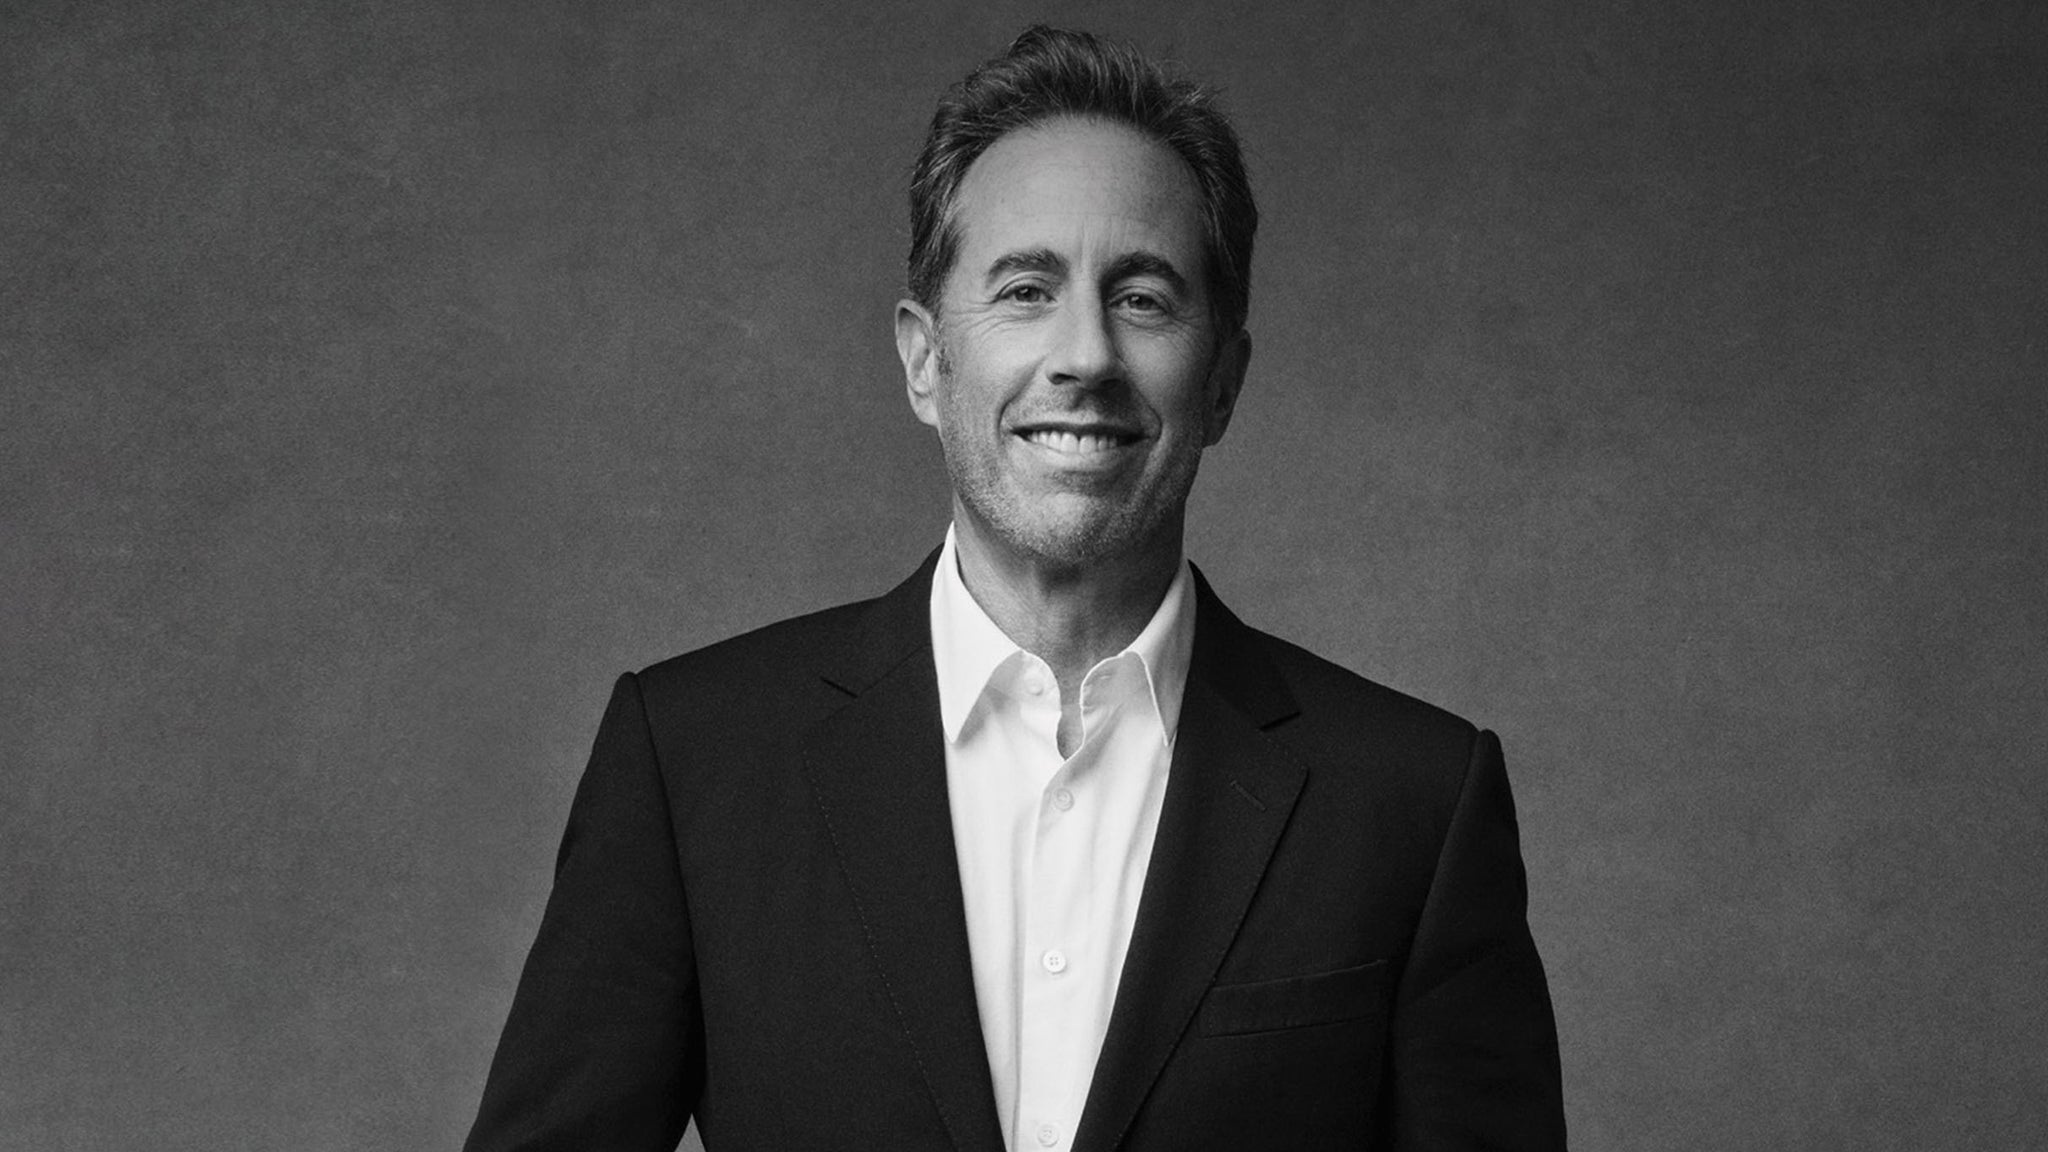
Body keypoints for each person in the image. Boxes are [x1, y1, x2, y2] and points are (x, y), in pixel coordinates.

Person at [465, 25, 1564, 1152]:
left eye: (1141, 297)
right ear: (924, 362)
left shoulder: (1410, 802)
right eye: (1026, 289)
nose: (1082, 354)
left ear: (1224, 379)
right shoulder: (692, 761)